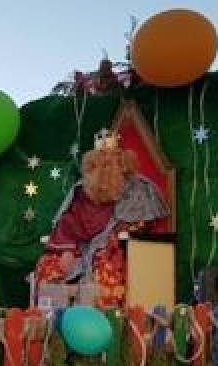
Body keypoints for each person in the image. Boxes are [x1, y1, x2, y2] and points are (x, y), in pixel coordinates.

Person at [34, 130, 168, 309]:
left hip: (115, 251)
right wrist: (68, 251)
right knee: (47, 266)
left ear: (123, 163)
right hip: (78, 251)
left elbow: (138, 227)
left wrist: (109, 244)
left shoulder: (138, 190)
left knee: (107, 268)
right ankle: (56, 321)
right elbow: (67, 225)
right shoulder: (81, 192)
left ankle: (102, 321)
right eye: (101, 163)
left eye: (112, 162)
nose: (107, 169)